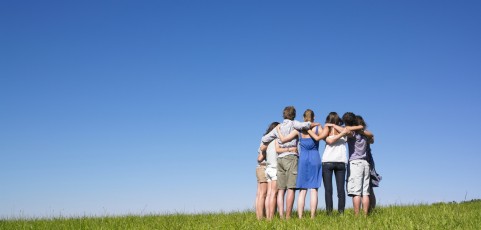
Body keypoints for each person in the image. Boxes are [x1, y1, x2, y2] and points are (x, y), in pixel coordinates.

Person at [260, 106, 318, 219]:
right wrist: (315, 124)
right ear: (294, 115)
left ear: (283, 115)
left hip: (280, 159)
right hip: (291, 157)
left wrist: (277, 132)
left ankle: (281, 216)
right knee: (291, 188)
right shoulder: (294, 124)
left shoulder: (279, 127)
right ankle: (288, 216)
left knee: (281, 189)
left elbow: (265, 139)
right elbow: (306, 125)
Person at [275, 109, 324, 218]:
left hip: (303, 159)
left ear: (303, 118)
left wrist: (278, 130)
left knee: (302, 189)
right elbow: (325, 137)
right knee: (314, 189)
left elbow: (283, 140)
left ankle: (300, 217)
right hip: (315, 157)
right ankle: (312, 216)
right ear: (314, 117)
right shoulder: (317, 128)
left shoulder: (298, 130)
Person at [341, 112, 374, 216]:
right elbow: (372, 136)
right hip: (365, 163)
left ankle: (356, 216)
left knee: (356, 192)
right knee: (365, 192)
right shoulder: (364, 135)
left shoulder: (353, 133)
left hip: (355, 163)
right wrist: (362, 129)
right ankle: (364, 216)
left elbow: (346, 130)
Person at [320, 112, 350, 215]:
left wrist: (333, 126)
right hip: (330, 162)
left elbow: (346, 131)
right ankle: (333, 213)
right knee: (331, 190)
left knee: (339, 190)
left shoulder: (341, 129)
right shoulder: (328, 130)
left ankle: (336, 213)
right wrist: (339, 132)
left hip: (337, 162)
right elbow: (329, 141)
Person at [355, 115, 380, 213]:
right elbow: (372, 138)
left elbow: (372, 138)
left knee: (364, 189)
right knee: (368, 188)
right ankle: (369, 210)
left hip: (366, 161)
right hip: (368, 161)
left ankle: (368, 210)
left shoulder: (359, 134)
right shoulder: (365, 134)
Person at [257, 122, 280, 220]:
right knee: (266, 194)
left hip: (261, 168)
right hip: (265, 167)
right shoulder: (270, 141)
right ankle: (265, 217)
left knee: (262, 194)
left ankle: (262, 217)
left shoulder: (265, 139)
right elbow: (260, 158)